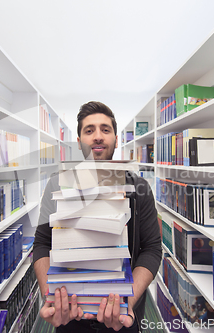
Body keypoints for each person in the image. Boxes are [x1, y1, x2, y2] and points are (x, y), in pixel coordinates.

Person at [33, 101, 162, 332]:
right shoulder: (57, 186)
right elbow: (42, 244)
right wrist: (50, 298)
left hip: (123, 318)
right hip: (70, 317)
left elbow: (152, 249)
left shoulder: (140, 188)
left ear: (116, 139)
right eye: (89, 130)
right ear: (80, 141)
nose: (98, 136)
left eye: (105, 129)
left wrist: (127, 303)